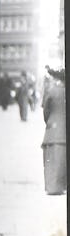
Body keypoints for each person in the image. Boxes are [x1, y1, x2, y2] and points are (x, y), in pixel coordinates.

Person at [42, 66, 66, 195]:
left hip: (53, 130)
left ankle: (52, 187)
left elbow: (46, 110)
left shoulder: (51, 91)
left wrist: (49, 122)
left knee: (51, 159)